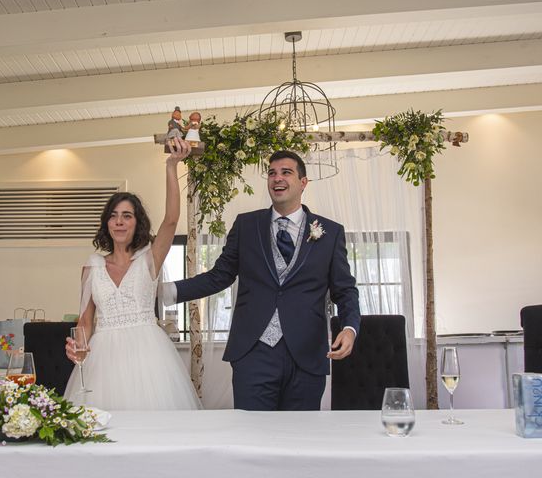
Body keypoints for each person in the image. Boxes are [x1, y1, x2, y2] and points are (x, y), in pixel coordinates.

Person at [165, 150, 360, 411]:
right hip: (253, 354)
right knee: (252, 438)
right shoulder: (246, 225)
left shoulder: (330, 232)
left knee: (300, 437)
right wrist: (166, 291)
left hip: (306, 356)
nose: (277, 178)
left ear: (303, 183)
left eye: (286, 172)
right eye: (272, 173)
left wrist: (349, 327)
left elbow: (345, 290)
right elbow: (219, 276)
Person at [64, 137, 201, 410]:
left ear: (137, 222)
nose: (119, 221)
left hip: (148, 357)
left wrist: (171, 166)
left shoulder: (149, 259)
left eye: (127, 215)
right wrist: (77, 345)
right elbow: (85, 320)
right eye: (114, 215)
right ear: (107, 222)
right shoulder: (91, 267)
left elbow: (171, 220)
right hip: (102, 360)